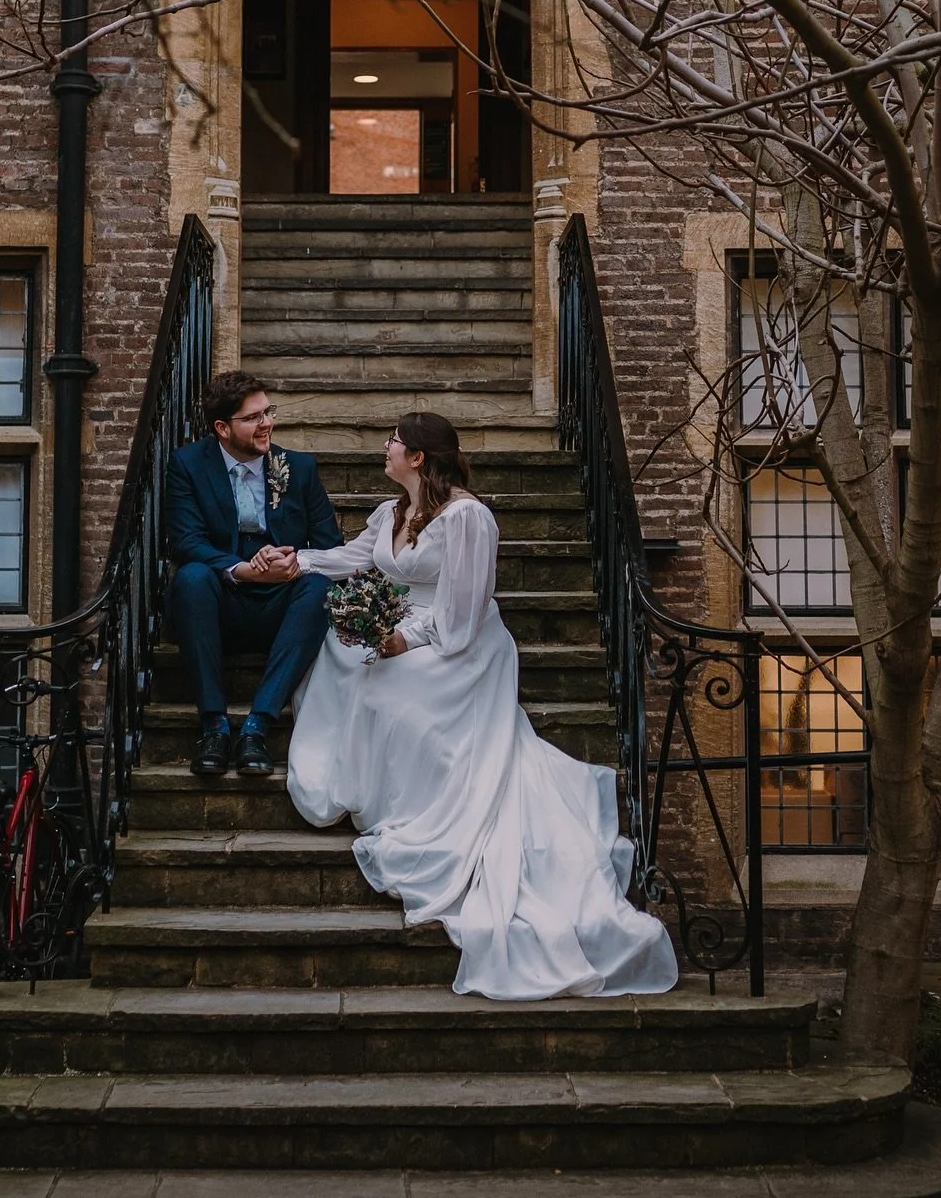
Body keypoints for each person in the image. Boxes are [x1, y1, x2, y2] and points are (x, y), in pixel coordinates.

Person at [286, 411, 679, 1000]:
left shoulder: (468, 517)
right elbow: (353, 558)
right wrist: (294, 561)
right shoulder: (392, 511)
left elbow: (462, 617)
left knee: (389, 686)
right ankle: (360, 779)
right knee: (342, 656)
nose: (385, 447)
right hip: (406, 627)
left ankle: (416, 801)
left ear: (418, 457)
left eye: (393, 441)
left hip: (458, 644)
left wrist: (403, 640)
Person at [166, 370, 342, 778]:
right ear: (222, 428)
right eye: (253, 418)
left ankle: (256, 727)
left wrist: (293, 562)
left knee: (321, 587)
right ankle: (213, 727)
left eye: (268, 412)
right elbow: (187, 541)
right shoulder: (188, 465)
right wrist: (243, 570)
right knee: (191, 578)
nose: (267, 424)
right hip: (222, 604)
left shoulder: (298, 467)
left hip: (283, 605)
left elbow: (330, 545)